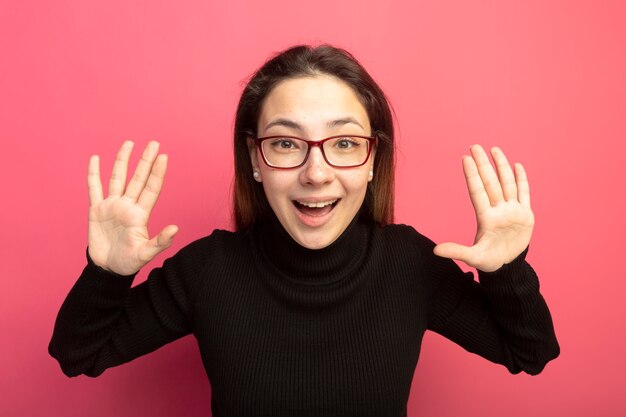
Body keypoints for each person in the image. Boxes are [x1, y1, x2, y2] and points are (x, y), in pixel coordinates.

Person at [49, 45, 559, 416]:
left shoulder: (409, 264)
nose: (316, 173)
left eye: (343, 143)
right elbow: (78, 355)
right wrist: (106, 273)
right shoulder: (210, 269)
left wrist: (508, 272)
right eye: (288, 144)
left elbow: (530, 353)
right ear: (256, 159)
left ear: (371, 161)